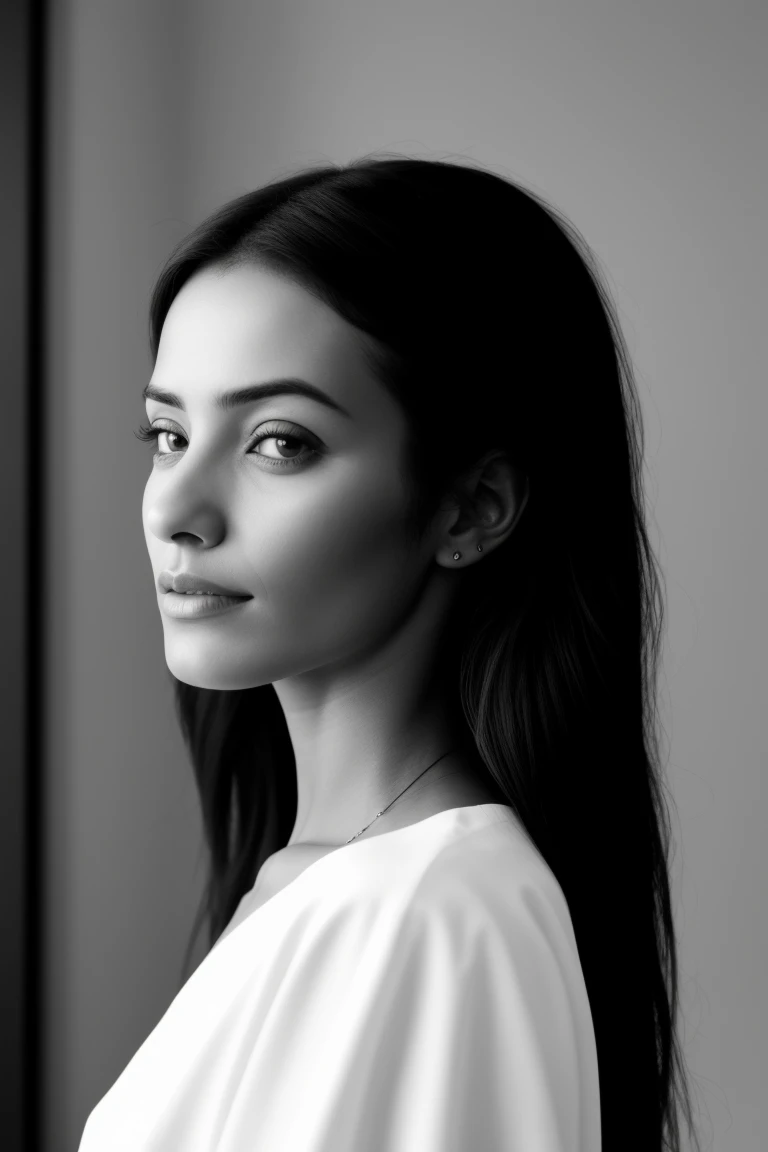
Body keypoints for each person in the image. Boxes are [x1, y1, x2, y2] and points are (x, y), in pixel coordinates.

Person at [78, 154, 700, 1151]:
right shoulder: (346, 889)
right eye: (167, 433)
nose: (177, 510)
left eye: (280, 441)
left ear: (473, 508)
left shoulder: (436, 918)